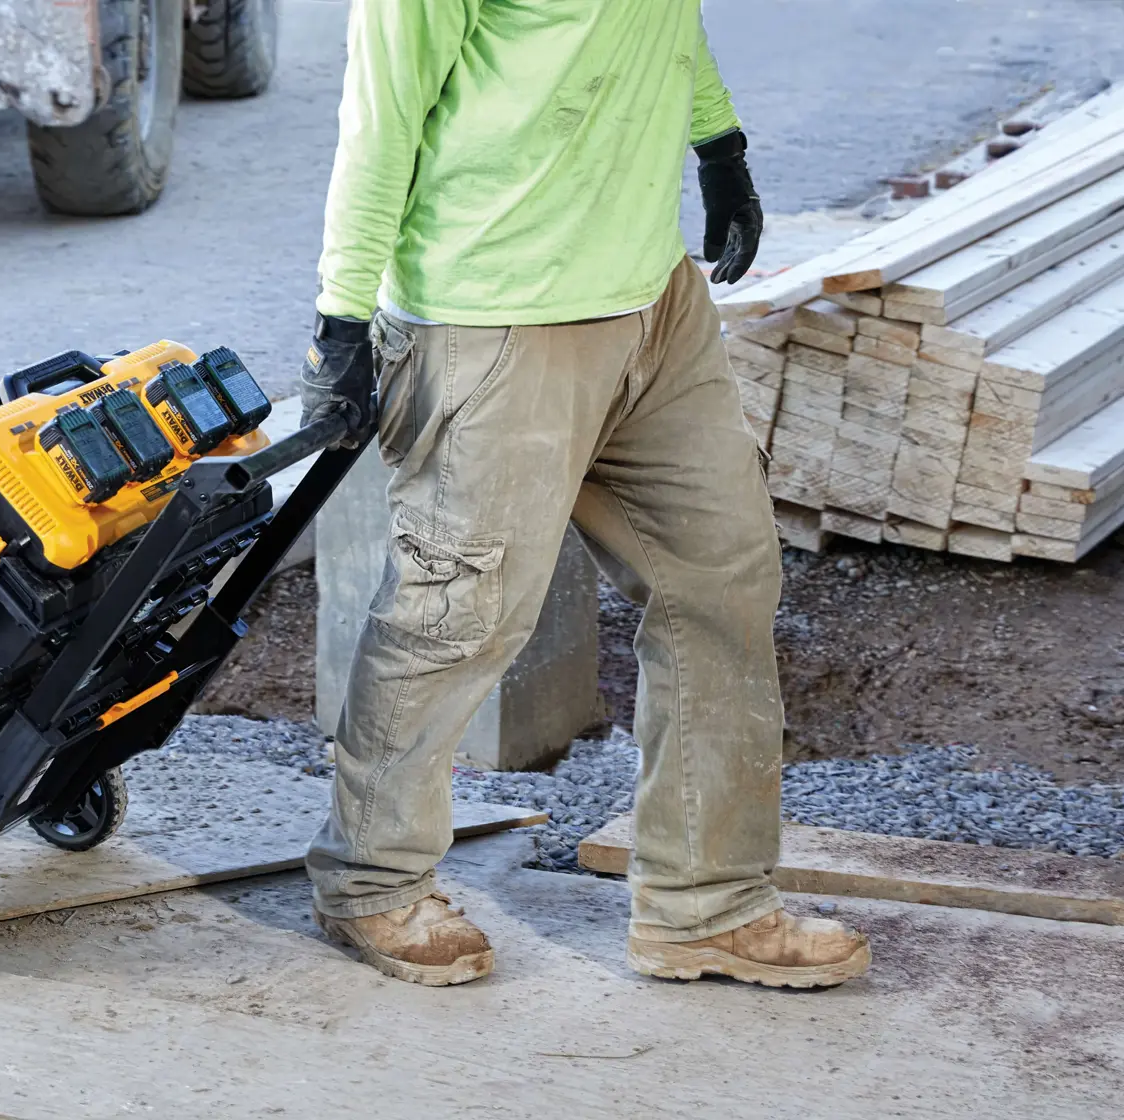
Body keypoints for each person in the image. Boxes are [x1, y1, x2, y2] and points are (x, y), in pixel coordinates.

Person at [298, 1, 871, 990]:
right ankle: (375, 881)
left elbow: (662, 18)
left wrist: (717, 141)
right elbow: (381, 118)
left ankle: (709, 903)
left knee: (721, 580)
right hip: (496, 315)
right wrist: (340, 323)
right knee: (460, 613)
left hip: (653, 301)